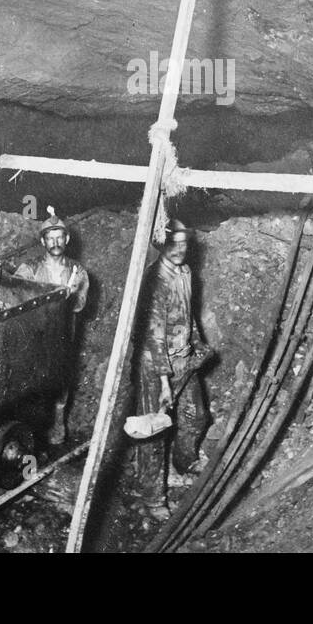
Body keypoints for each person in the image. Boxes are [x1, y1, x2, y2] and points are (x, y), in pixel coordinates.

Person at [132, 218, 210, 519]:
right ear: (161, 244)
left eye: (183, 243)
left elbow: (188, 315)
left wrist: (197, 346)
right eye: (172, 243)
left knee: (196, 415)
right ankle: (152, 497)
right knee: (154, 431)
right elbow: (154, 336)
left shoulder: (186, 272)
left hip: (182, 357)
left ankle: (183, 462)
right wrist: (165, 382)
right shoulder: (156, 281)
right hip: (156, 367)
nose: (179, 249)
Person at [13, 208, 90, 445]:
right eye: (50, 238)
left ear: (66, 239)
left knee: (60, 383)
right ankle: (31, 435)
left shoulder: (78, 271)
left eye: (59, 237)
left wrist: (71, 292)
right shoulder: (29, 269)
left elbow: (79, 306)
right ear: (43, 241)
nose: (55, 242)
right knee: (33, 388)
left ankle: (58, 426)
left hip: (63, 337)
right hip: (35, 339)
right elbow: (15, 300)